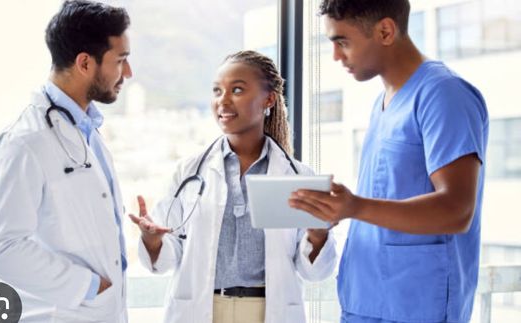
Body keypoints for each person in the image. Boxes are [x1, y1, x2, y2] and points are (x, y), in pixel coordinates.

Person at [289, 0, 489, 322]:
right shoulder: (382, 103)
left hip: (417, 306)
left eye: (342, 41)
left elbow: (457, 210)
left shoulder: (444, 94)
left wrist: (354, 206)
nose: (336, 56)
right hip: (363, 300)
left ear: (385, 31)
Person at [130, 50, 337, 323]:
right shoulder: (188, 172)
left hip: (267, 312)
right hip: (204, 310)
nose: (223, 101)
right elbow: (167, 259)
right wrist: (152, 239)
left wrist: (319, 235)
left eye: (237, 90)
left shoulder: (298, 176)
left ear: (269, 99)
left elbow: (314, 273)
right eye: (217, 91)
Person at [0, 1, 132, 322]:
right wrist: (89, 286)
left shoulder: (87, 131)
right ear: (85, 63)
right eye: (121, 61)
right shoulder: (23, 141)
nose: (127, 73)